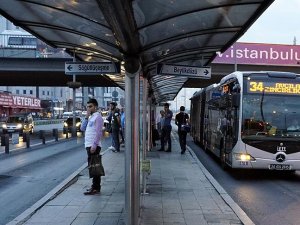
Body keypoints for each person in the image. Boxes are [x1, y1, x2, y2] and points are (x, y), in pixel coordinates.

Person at [80, 98, 104, 195]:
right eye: (87, 107)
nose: (89, 109)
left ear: (95, 107)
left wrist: (94, 145)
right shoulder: (91, 117)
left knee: (95, 167)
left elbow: (99, 132)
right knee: (92, 166)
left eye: (90, 106)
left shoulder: (98, 117)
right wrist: (86, 117)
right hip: (88, 145)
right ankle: (94, 186)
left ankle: (96, 187)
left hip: (94, 146)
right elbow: (82, 128)